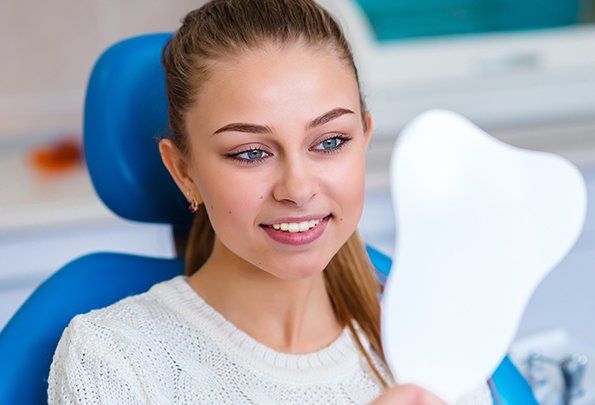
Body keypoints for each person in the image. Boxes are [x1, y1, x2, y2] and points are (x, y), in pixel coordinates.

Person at [47, 0, 493, 403]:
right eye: (251, 153)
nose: (297, 189)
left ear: (364, 139)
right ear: (183, 170)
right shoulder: (114, 361)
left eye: (331, 141)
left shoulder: (435, 349)